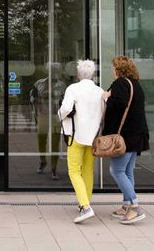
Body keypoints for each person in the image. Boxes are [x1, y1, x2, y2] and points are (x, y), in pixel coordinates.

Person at [103, 56, 150, 224]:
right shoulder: (135, 84)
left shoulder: (120, 83)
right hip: (137, 133)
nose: (112, 70)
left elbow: (118, 104)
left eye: (113, 67)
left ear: (119, 69)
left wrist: (106, 97)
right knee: (128, 171)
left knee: (116, 170)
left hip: (125, 136)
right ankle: (126, 205)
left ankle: (134, 207)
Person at [57, 59, 105, 223]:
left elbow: (65, 109)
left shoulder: (73, 88)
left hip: (76, 135)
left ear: (78, 74)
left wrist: (60, 115)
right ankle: (85, 203)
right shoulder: (99, 91)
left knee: (74, 171)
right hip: (93, 137)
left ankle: (85, 207)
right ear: (93, 74)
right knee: (88, 171)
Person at [30, 63, 67, 180]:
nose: (53, 72)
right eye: (51, 70)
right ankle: (43, 161)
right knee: (41, 139)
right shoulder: (39, 83)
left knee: (55, 142)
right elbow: (32, 98)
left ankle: (54, 169)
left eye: (55, 70)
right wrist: (37, 100)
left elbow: (66, 101)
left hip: (56, 116)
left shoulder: (62, 86)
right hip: (43, 115)